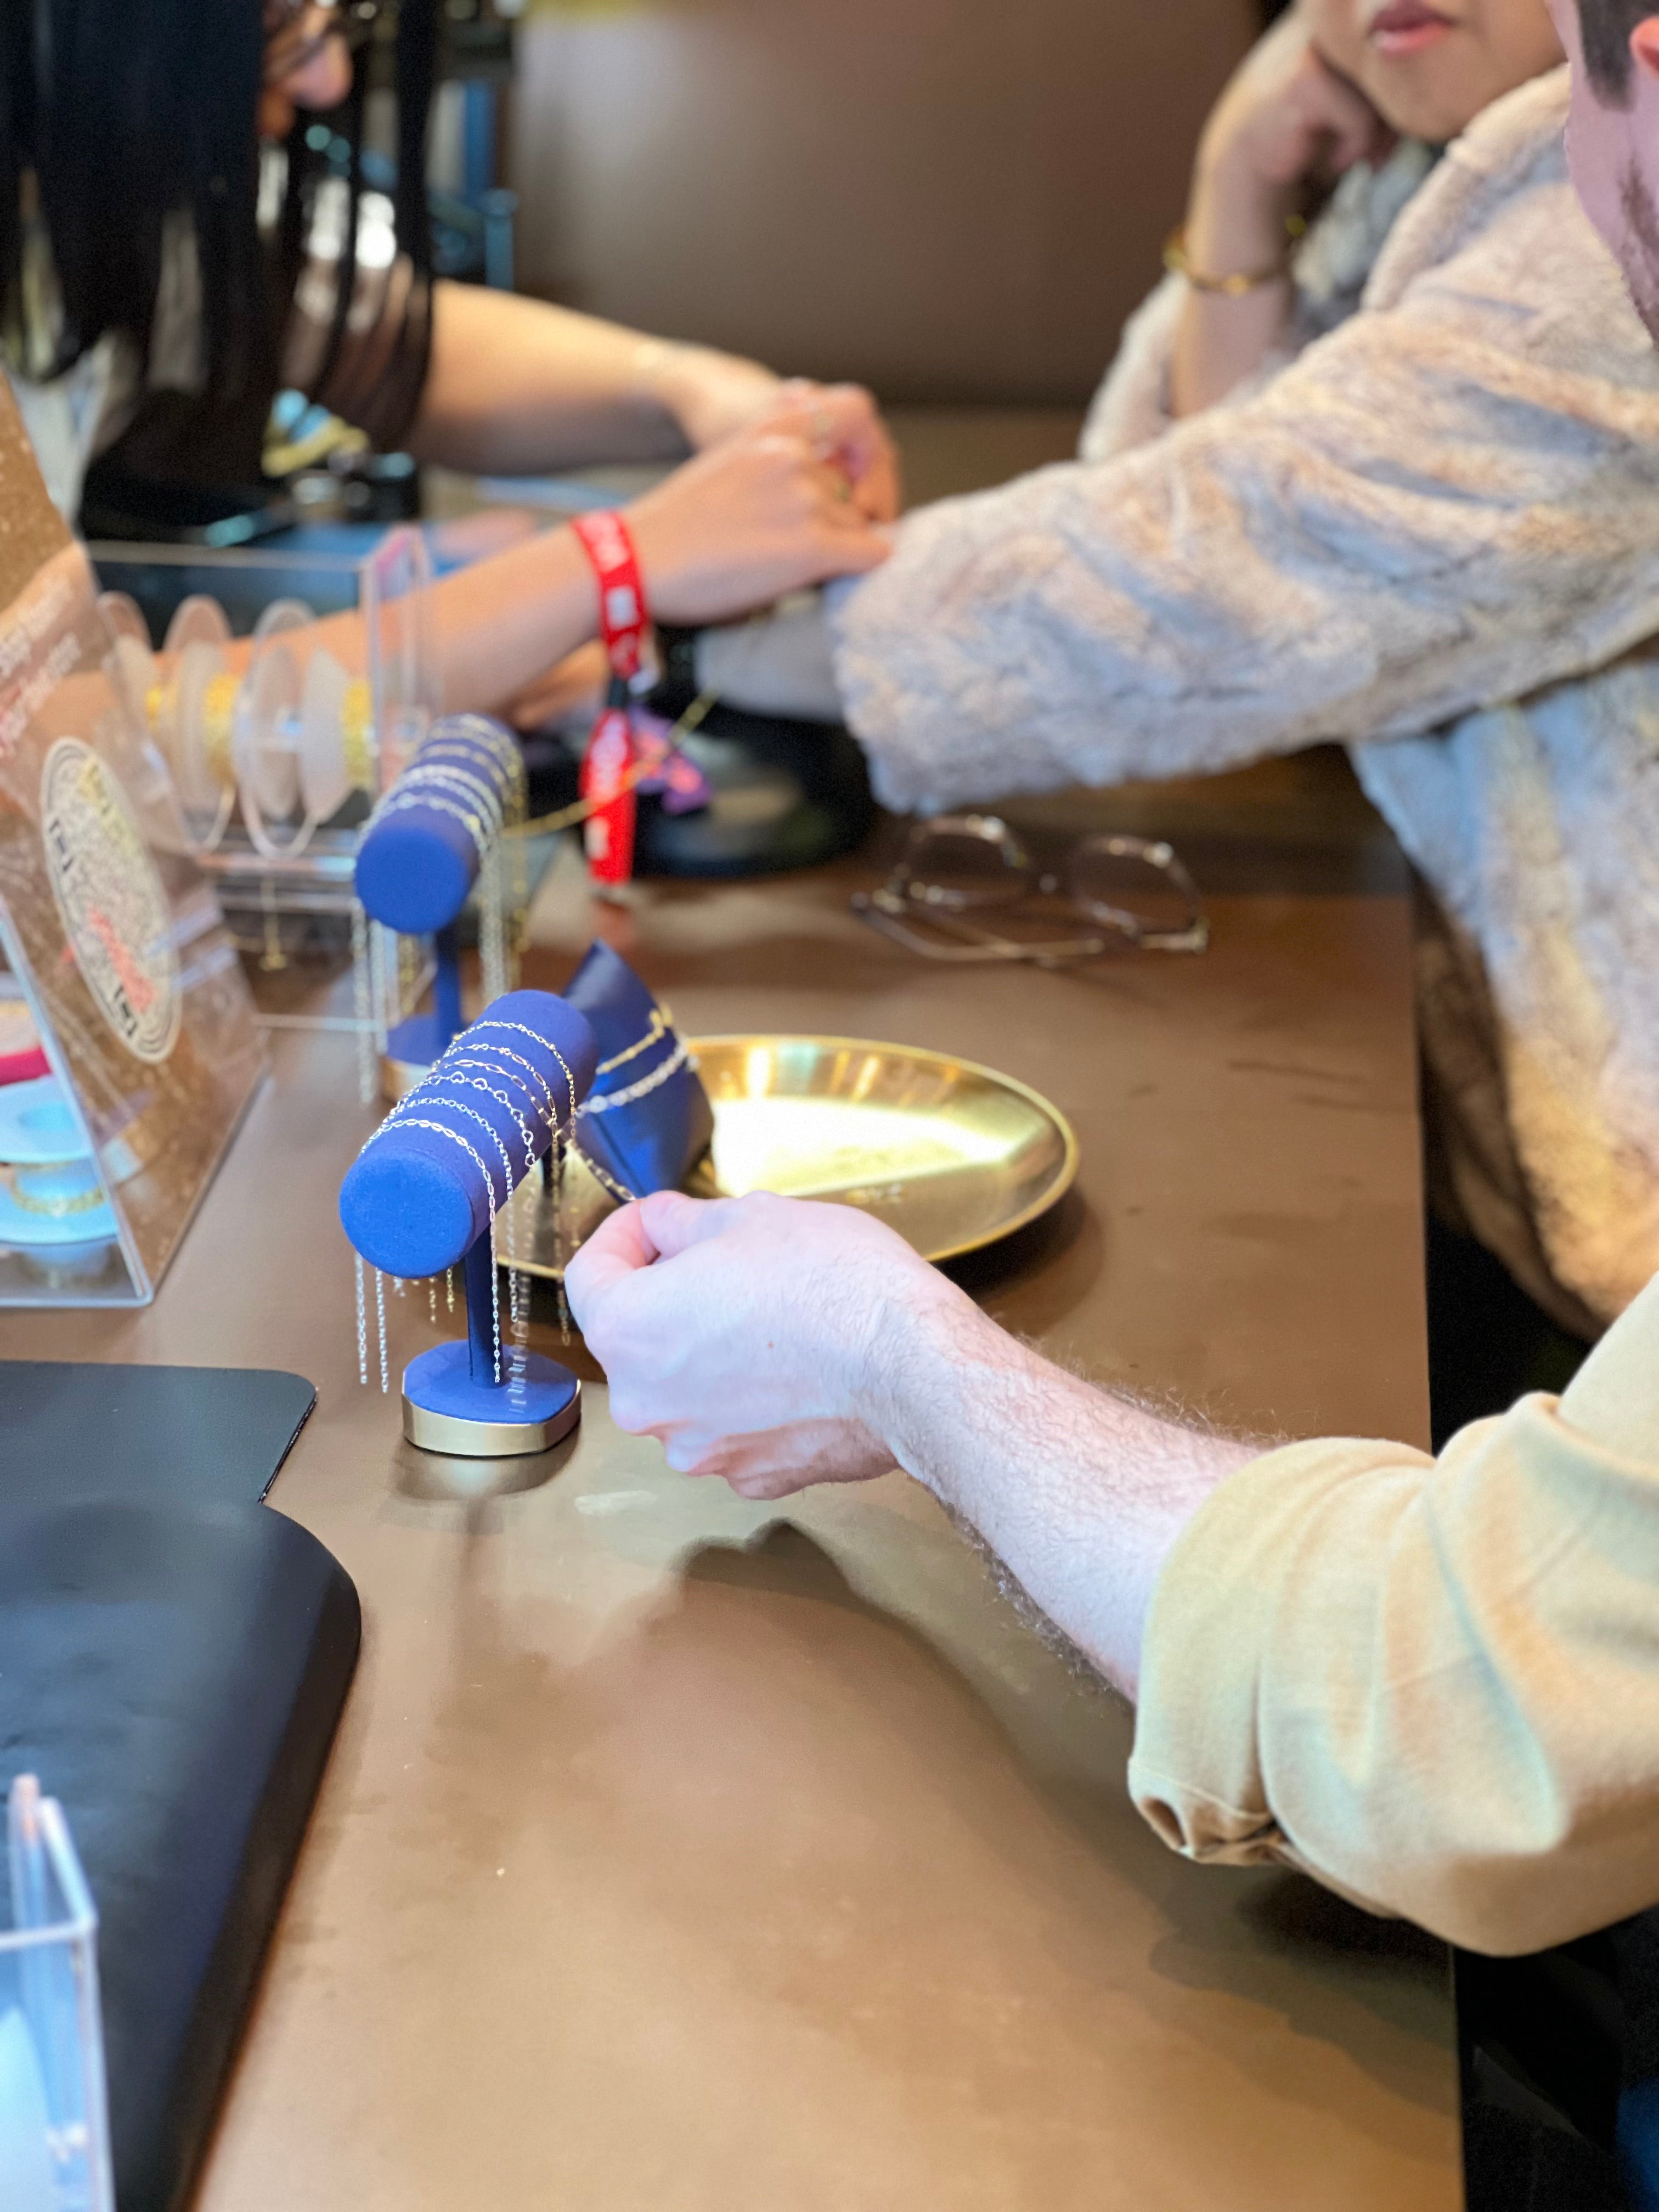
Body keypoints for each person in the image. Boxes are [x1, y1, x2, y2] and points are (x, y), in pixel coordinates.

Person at [565, 0, 1659, 1972]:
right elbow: (1232, 511)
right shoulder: (1424, 178)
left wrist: (893, 1357)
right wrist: (1237, 207)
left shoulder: (1577, 260)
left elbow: (1451, 1703)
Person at [676, 0, 1659, 1360]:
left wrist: (656, 621)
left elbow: (1203, 573)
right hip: (1516, 1176)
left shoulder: (1613, 206)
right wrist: (1239, 193)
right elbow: (1177, 491)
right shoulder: (1426, 168)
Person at [0, 0, 896, 709]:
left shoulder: (96, 199)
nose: (326, 78)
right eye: (280, 22)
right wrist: (602, 569)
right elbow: (41, 734)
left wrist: (692, 390)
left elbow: (376, 340)